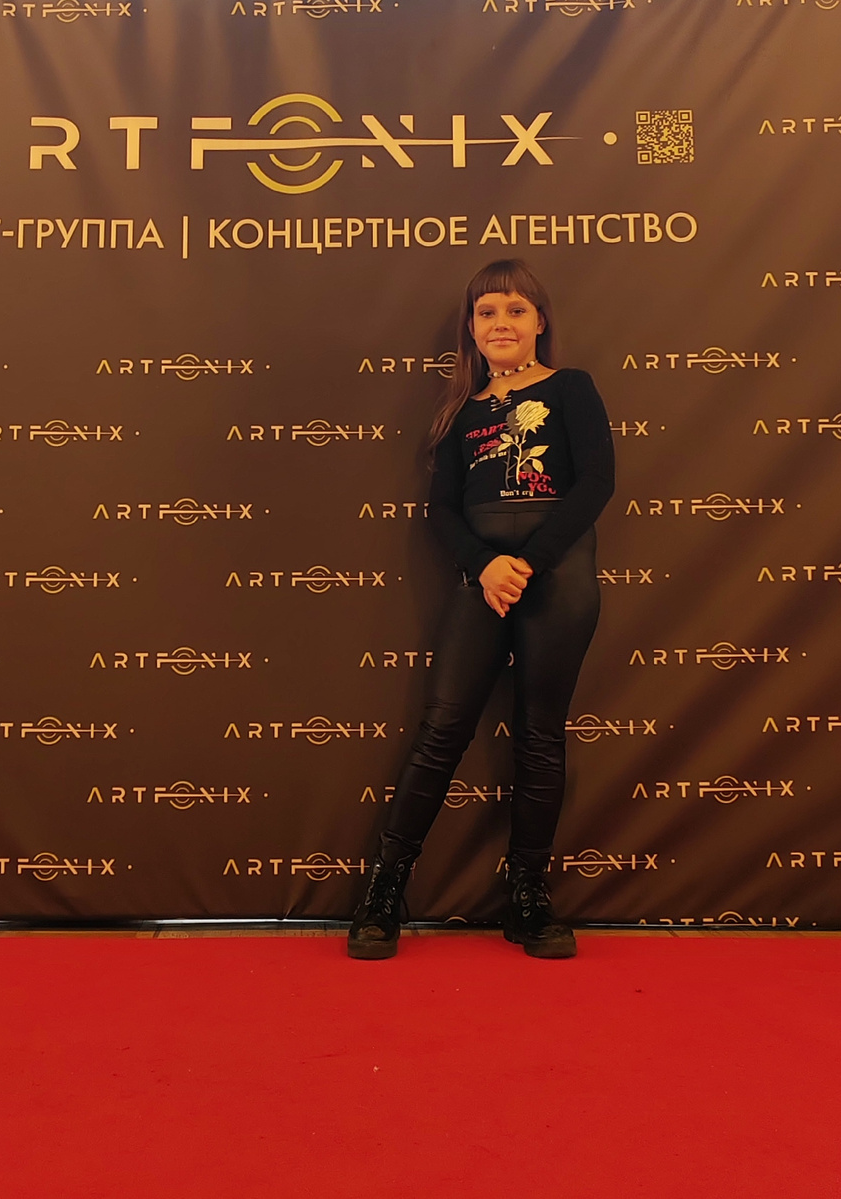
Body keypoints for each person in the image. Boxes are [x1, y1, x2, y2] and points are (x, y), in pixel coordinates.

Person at [347, 258, 614, 961]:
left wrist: (529, 562)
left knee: (540, 737)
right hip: (481, 582)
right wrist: (486, 565)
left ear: (539, 322)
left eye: (516, 310)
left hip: (558, 580)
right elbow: (441, 510)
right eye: (487, 311)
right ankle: (384, 890)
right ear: (471, 328)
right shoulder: (460, 412)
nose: (501, 322)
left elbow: (596, 483)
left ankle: (529, 896)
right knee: (441, 731)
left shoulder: (571, 388)